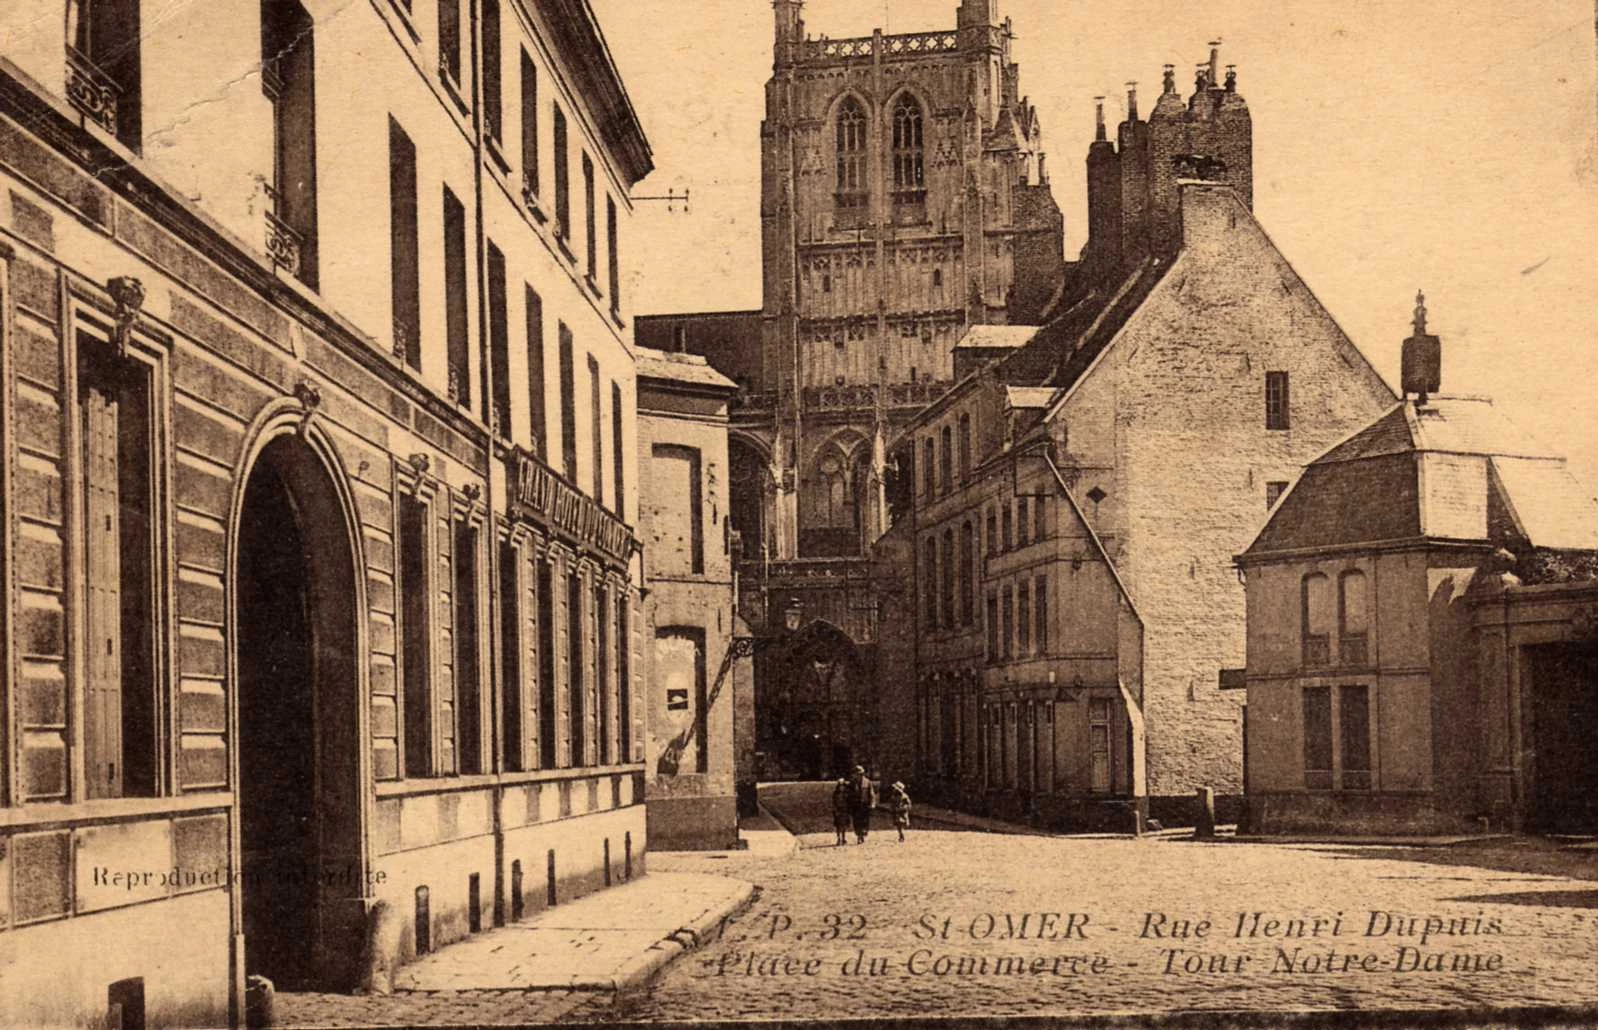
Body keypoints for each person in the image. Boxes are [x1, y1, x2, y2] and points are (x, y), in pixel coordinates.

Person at [847, 765, 876, 844]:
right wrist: (848, 805)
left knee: (865, 821)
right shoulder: (852, 783)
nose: (859, 775)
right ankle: (859, 835)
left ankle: (863, 834)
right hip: (855, 806)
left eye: (860, 774)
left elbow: (872, 794)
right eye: (857, 774)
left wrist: (872, 803)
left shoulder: (867, 782)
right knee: (856, 821)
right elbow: (848, 795)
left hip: (864, 805)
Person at [830, 777, 851, 846]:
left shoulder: (847, 794)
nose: (841, 787)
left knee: (844, 825)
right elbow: (833, 802)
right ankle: (839, 838)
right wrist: (835, 810)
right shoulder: (835, 794)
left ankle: (844, 838)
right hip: (838, 810)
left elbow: (849, 802)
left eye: (843, 786)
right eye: (840, 786)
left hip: (845, 811)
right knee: (838, 826)